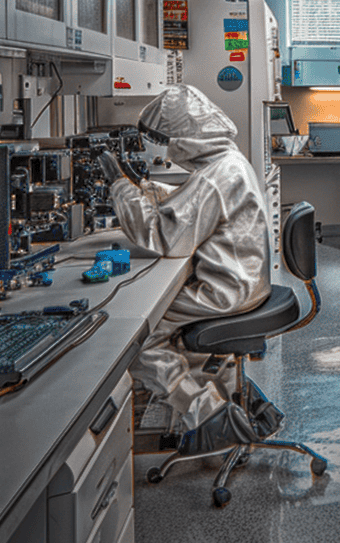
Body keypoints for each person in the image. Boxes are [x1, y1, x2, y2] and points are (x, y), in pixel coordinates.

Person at [99, 84, 272, 447]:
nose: (165, 148)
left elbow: (163, 237)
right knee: (167, 327)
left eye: (166, 140)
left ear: (185, 137)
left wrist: (120, 187)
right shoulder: (228, 161)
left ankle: (207, 414)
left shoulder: (214, 177)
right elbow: (189, 206)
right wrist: (145, 188)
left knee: (138, 336)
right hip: (247, 283)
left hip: (226, 292)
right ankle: (243, 399)